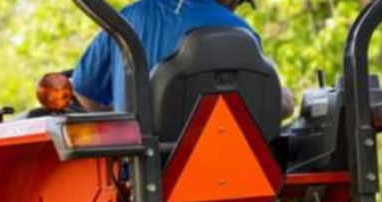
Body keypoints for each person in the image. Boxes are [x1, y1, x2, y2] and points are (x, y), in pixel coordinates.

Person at [72, 0, 293, 117]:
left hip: (141, 175)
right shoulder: (241, 33)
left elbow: (83, 89)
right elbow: (276, 108)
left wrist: (124, 126)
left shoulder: (127, 20)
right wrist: (287, 98)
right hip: (225, 171)